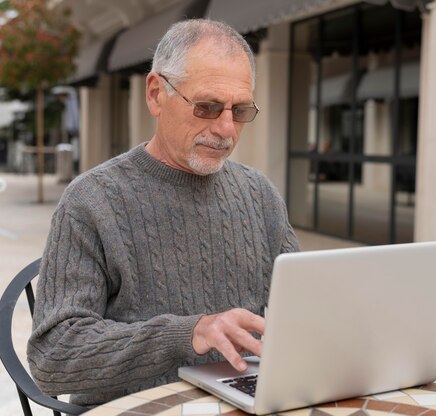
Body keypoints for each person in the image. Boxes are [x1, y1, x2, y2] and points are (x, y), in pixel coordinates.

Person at [27, 19, 300, 407]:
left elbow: (306, 310)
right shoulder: (92, 201)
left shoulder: (259, 195)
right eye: (207, 107)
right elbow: (53, 356)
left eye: (239, 111)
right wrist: (187, 335)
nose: (226, 129)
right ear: (156, 94)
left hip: (238, 403)